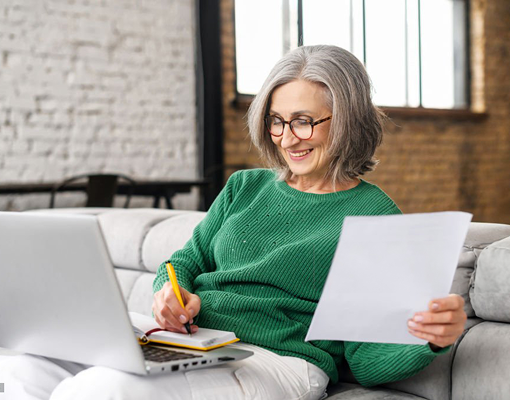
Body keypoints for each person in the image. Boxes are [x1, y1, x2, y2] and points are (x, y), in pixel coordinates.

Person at [0, 45, 467, 400]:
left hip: (277, 362)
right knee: (22, 367)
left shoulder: (375, 216)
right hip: (195, 341)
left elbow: (364, 358)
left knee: (102, 388)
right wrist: (172, 294)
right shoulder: (246, 187)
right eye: (276, 122)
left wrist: (429, 340)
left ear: (346, 120)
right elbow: (185, 260)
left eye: (303, 121)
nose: (287, 139)